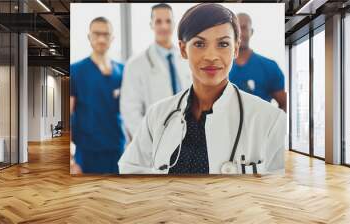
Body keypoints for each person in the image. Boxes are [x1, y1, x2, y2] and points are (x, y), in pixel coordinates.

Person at [118, 3, 286, 175]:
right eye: (199, 44)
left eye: (223, 44)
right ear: (183, 49)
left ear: (235, 48)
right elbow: (130, 168)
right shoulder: (157, 115)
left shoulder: (271, 121)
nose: (211, 56)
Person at [120, 3, 192, 139]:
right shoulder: (135, 65)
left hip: (189, 138)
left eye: (168, 21)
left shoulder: (187, 60)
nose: (164, 26)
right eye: (158, 21)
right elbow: (130, 111)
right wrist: (150, 140)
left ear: (174, 24)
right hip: (155, 141)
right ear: (151, 24)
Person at [70, 17, 125, 174]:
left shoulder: (123, 71)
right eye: (96, 34)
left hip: (117, 149)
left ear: (112, 38)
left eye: (106, 34)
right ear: (89, 37)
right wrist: (70, 159)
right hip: (87, 153)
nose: (101, 39)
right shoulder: (76, 71)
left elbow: (130, 111)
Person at [229, 13, 287, 112]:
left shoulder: (269, 67)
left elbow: (285, 104)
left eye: (243, 28)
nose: (240, 33)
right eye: (236, 29)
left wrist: (274, 125)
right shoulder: (219, 69)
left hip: (261, 127)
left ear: (251, 32)